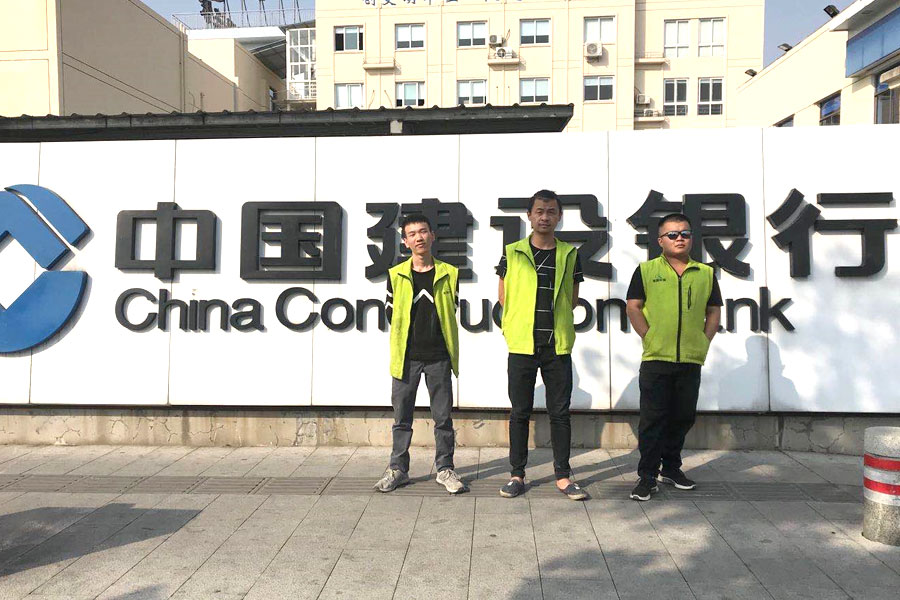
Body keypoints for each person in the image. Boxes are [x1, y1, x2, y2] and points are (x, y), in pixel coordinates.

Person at [495, 190, 589, 501]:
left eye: (551, 212)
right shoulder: (512, 252)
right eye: (539, 211)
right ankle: (517, 474)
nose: (544, 217)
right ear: (529, 215)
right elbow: (503, 296)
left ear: (559, 216)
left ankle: (563, 476)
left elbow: (572, 298)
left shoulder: (569, 254)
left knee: (560, 413)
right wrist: (516, 325)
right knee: (519, 412)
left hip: (556, 345)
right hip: (522, 344)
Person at [625, 213, 723, 501]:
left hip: (690, 359)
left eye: (685, 233)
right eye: (672, 234)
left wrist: (703, 341)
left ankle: (671, 468)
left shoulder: (705, 273)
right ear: (660, 241)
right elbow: (633, 306)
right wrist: (649, 336)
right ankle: (647, 476)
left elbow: (714, 311)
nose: (680, 238)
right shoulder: (646, 271)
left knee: (682, 417)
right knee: (652, 419)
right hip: (657, 358)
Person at [375, 214, 466, 494]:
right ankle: (398, 469)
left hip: (439, 356)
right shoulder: (396, 274)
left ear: (432, 236)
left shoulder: (449, 273)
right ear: (405, 241)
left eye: (423, 231)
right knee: (402, 418)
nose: (419, 237)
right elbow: (391, 314)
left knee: (443, 418)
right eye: (412, 234)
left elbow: (451, 310)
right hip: (406, 357)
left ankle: (445, 469)